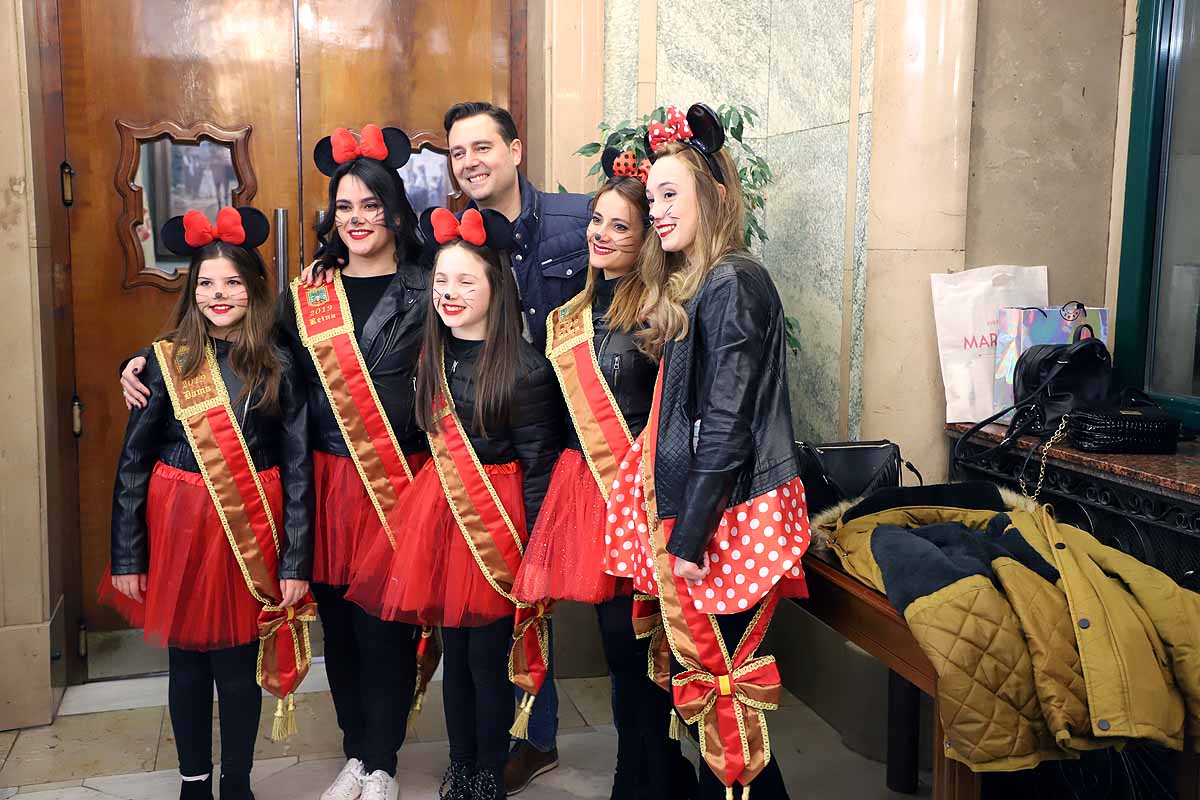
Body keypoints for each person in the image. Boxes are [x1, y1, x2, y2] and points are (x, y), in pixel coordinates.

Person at [120, 125, 430, 800]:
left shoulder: (429, 288)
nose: (356, 220)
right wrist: (139, 364)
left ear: (396, 211)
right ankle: (357, 752)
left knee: (387, 628)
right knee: (341, 630)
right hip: (320, 479)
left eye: (370, 206)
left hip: (393, 481)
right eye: (344, 208)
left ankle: (384, 760)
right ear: (332, 217)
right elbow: (242, 351)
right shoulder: (309, 294)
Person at [603, 104, 811, 799]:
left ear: (715, 196)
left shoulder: (733, 281)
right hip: (712, 515)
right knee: (704, 697)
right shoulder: (704, 280)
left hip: (725, 521)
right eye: (652, 196)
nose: (657, 212)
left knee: (721, 697)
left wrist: (687, 535)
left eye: (671, 195)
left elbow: (728, 424)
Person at [346, 207, 563, 800]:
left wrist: (540, 555)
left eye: (467, 281)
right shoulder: (432, 358)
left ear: (497, 288)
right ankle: (460, 764)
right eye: (442, 282)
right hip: (441, 517)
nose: (450, 293)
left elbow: (542, 466)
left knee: (487, 662)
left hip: (499, 525)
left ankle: (488, 774)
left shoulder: (525, 369)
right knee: (454, 654)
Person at [104, 207, 313, 800]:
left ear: (254, 289)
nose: (218, 295)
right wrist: (126, 556)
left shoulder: (279, 363)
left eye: (232, 284)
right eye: (206, 284)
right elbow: (132, 466)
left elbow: (299, 467)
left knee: (239, 662)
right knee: (188, 664)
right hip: (179, 528)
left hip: (250, 527)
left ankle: (237, 783)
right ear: (191, 292)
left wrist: (297, 561)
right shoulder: (164, 361)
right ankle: (194, 781)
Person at [512, 155, 695, 800]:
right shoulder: (568, 316)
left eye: (621, 226)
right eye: (597, 221)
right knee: (622, 650)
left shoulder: (663, 316)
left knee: (649, 647)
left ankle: (654, 772)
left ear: (647, 238)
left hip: (643, 497)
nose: (601, 235)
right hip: (587, 496)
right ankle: (638, 769)